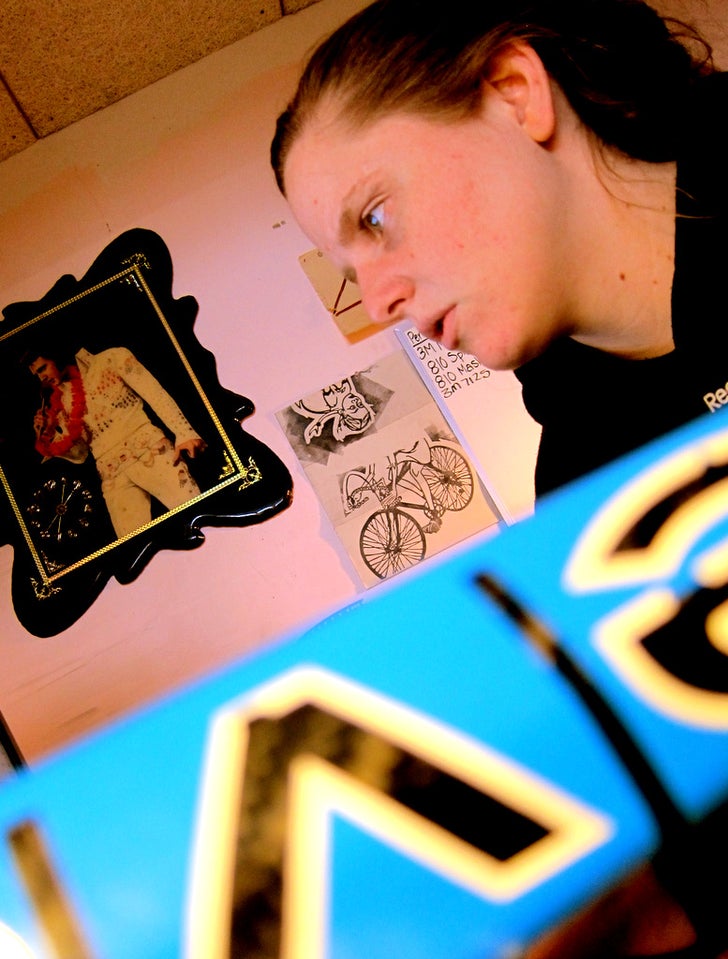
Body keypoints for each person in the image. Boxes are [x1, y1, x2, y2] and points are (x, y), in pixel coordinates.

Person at [270, 1, 727, 956]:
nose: (380, 297)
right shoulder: (586, 503)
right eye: (350, 265)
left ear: (517, 94)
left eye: (375, 216)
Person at [29, 346, 207, 539]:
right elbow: (80, 453)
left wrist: (184, 432)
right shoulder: (61, 399)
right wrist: (50, 432)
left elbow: (155, 394)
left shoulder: (112, 359)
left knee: (197, 517)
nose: (41, 377)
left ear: (57, 356)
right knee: (133, 544)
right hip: (112, 474)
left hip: (150, 451)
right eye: (36, 374)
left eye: (43, 368)